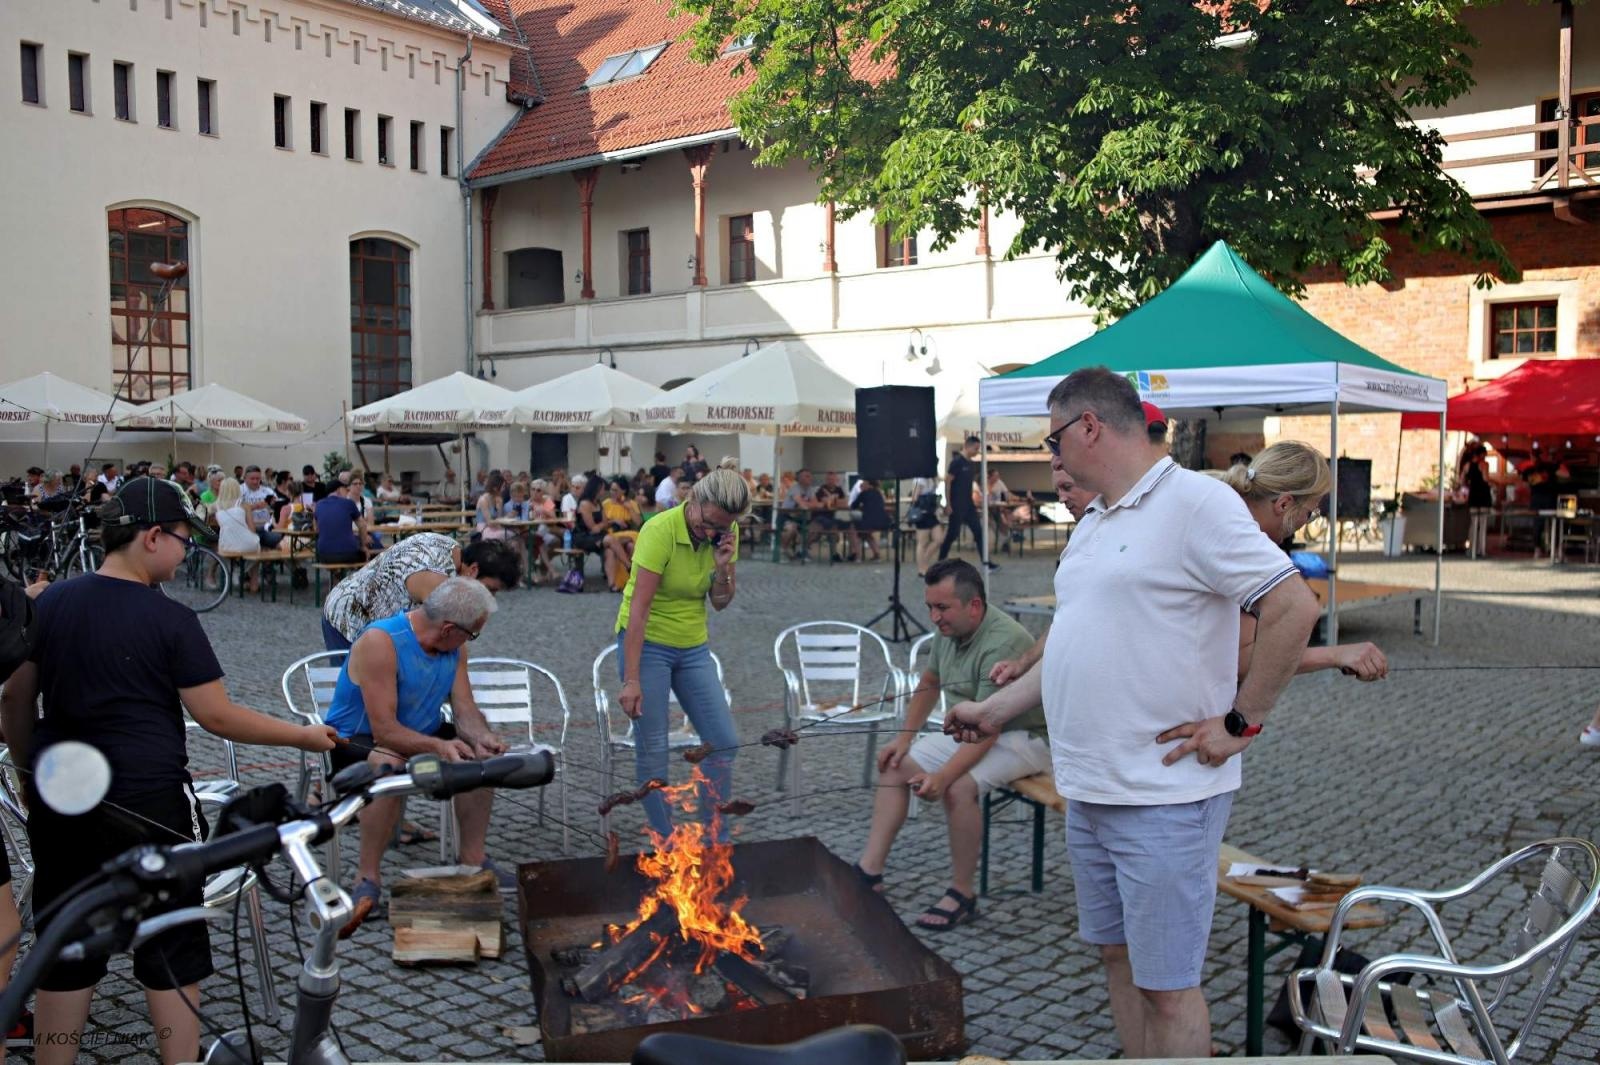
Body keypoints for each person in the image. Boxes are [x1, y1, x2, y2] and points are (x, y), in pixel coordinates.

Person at [945, 367, 1320, 1059]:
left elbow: (1293, 607)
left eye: (1053, 438)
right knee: (1119, 964)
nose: (1050, 454)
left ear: (1089, 425)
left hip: (1164, 797)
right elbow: (1075, 647)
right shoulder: (1093, 521)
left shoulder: (1196, 502)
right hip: (1088, 789)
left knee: (1168, 987)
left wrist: (1240, 723)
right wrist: (994, 710)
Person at [0, 478, 334, 1065]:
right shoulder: (170, 619)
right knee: (172, 943)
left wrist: (30, 777)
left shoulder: (49, 603)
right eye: (184, 540)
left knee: (66, 948)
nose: (187, 555)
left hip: (64, 800)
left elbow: (15, 704)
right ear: (151, 537)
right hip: (149, 803)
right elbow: (217, 715)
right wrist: (303, 734)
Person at [856, 559, 1050, 929]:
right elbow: (930, 681)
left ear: (974, 605)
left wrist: (942, 776)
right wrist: (903, 740)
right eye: (930, 607)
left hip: (1026, 736)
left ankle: (962, 893)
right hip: (980, 728)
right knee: (896, 764)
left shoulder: (1001, 642)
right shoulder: (950, 630)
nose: (933, 617)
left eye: (942, 607)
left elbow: (990, 727)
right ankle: (870, 871)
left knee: (959, 787)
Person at [324, 577, 514, 916]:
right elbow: (385, 730)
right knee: (390, 764)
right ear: (448, 629)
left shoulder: (455, 647)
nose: (471, 641)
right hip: (355, 737)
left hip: (414, 732)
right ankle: (367, 878)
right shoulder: (381, 642)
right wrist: (439, 748)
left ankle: (473, 859)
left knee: (479, 760)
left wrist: (480, 737)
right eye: (472, 634)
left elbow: (465, 709)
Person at [616, 468, 748, 837]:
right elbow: (638, 611)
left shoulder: (726, 530)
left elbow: (720, 602)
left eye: (723, 526)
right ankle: (667, 841)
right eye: (709, 523)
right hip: (649, 642)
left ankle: (713, 836)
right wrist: (631, 679)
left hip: (692, 645)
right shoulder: (659, 531)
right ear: (694, 501)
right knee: (654, 750)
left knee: (724, 742)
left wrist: (723, 569)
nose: (713, 533)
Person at [1215, 444, 1390, 681]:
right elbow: (1242, 660)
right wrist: (1336, 655)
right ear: (1284, 504)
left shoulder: (1223, 517)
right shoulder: (1244, 546)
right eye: (1310, 513)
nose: (1306, 522)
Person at [321, 534, 520, 651]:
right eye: (491, 590)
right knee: (360, 699)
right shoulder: (434, 578)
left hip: (380, 622)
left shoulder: (452, 550)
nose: (490, 598)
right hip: (349, 615)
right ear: (473, 570)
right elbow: (444, 632)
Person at [938, 436, 996, 571]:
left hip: (969, 505)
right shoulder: (957, 462)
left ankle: (986, 563)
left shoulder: (970, 463)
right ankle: (940, 562)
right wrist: (948, 503)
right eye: (975, 448)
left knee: (978, 532)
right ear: (967, 446)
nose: (977, 451)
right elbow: (948, 482)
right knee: (952, 534)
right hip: (957, 505)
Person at [601, 475, 643, 592]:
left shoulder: (631, 503)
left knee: (630, 545)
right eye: (611, 489)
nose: (612, 492)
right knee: (610, 549)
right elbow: (602, 523)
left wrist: (629, 508)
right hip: (611, 534)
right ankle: (613, 584)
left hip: (628, 533)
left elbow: (638, 522)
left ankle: (631, 580)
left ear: (623, 491)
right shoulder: (606, 503)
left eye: (615, 490)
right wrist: (614, 521)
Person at [314, 478, 368, 565]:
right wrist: (363, 546)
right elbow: (362, 525)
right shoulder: (348, 503)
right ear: (339, 490)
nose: (347, 492)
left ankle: (336, 577)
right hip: (348, 554)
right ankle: (354, 578)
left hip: (324, 555)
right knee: (363, 554)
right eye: (345, 490)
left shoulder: (319, 505)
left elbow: (316, 529)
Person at [778, 468, 820, 558]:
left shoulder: (810, 489)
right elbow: (802, 504)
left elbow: (815, 504)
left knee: (816, 528)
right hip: (786, 516)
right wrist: (810, 504)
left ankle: (801, 549)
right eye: (807, 476)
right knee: (791, 528)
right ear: (800, 478)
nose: (810, 478)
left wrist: (809, 504)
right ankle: (782, 550)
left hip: (801, 518)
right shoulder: (795, 488)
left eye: (810, 476)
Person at [239, 465, 282, 549]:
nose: (255, 481)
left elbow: (279, 508)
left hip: (266, 528)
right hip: (247, 529)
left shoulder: (267, 491)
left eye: (258, 479)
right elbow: (234, 510)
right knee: (254, 541)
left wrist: (274, 506)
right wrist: (253, 507)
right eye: (252, 479)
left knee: (279, 539)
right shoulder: (239, 490)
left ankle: (269, 560)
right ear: (245, 478)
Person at [908, 475, 943, 576]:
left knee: (939, 539)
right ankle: (921, 568)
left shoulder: (932, 479)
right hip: (923, 513)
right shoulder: (920, 479)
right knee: (922, 542)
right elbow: (914, 497)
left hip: (931, 513)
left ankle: (925, 560)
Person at [852, 478, 892, 562]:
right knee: (866, 533)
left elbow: (853, 506)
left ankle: (858, 557)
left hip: (869, 522)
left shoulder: (864, 493)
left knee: (855, 530)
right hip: (883, 522)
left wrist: (861, 506)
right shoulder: (879, 493)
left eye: (863, 483)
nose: (861, 485)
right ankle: (877, 555)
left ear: (869, 485)